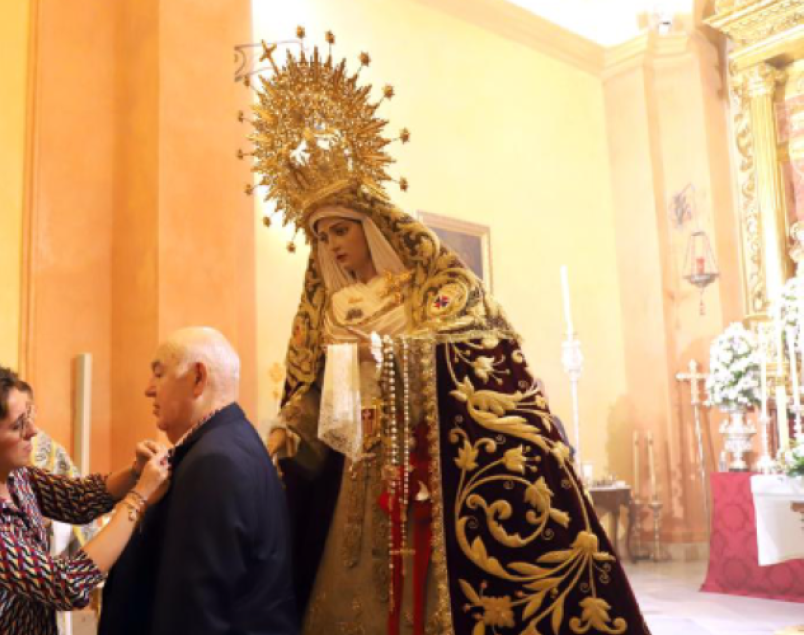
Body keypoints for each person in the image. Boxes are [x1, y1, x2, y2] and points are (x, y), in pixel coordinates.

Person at [247, 31, 650, 634]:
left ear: (370, 226)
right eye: (322, 236)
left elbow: (476, 347)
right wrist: (286, 430)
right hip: (352, 473)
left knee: (419, 595)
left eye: (340, 231)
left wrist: (383, 350)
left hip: (417, 466)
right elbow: (310, 390)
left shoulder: (425, 291)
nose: (333, 246)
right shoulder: (329, 308)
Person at [0, 363, 170, 635]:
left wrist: (135, 472)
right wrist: (138, 499)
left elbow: (77, 499)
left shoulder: (15, 477)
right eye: (18, 424)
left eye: (29, 416)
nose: (33, 431)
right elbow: (66, 585)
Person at [98, 327, 297, 635]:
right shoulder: (226, 443)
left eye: (159, 374)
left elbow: (197, 608)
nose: (148, 389)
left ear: (198, 378)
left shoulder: (214, 462)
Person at [17, 380, 103, 635]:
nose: (30, 427)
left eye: (29, 409)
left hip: (54, 559)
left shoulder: (50, 450)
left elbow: (78, 498)